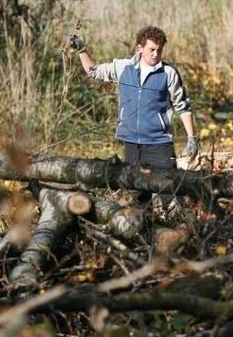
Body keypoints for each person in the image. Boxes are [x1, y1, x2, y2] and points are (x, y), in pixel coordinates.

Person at [68, 25, 198, 212]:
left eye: (159, 50)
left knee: (172, 195)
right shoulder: (123, 68)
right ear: (140, 48)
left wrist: (192, 138)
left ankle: (183, 233)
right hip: (131, 143)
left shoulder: (168, 73)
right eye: (151, 49)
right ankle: (145, 236)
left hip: (159, 143)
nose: (156, 54)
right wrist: (81, 50)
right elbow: (93, 71)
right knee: (139, 199)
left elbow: (183, 106)